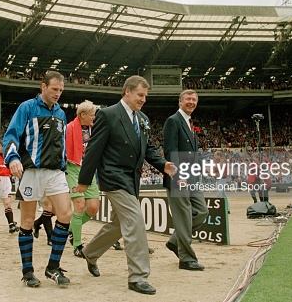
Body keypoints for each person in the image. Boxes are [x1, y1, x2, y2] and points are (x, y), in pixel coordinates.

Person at [74, 75, 177, 295]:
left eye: (145, 96)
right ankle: (138, 276)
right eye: (140, 95)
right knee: (135, 220)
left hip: (132, 179)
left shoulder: (143, 119)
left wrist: (163, 164)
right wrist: (84, 181)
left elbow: (148, 149)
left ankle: (90, 253)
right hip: (113, 178)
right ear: (127, 91)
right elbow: (93, 149)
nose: (143, 100)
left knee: (120, 224)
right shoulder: (108, 115)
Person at [3, 71, 72, 287]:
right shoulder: (27, 108)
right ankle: (27, 271)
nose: (57, 94)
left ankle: (52, 267)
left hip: (55, 172)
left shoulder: (61, 113)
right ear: (43, 87)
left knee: (66, 214)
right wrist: (13, 157)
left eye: (60, 90)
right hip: (31, 171)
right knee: (26, 221)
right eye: (54, 89)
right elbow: (11, 135)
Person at [162, 89, 208, 271]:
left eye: (194, 100)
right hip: (179, 178)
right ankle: (187, 259)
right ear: (180, 102)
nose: (191, 102)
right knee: (183, 217)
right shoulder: (173, 121)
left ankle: (175, 241)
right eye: (188, 99)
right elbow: (170, 152)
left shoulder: (189, 123)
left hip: (192, 178)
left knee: (202, 211)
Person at [65, 100, 99, 258]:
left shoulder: (95, 129)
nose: (94, 117)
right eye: (92, 115)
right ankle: (78, 245)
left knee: (92, 208)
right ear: (82, 114)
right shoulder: (68, 129)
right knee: (79, 205)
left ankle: (72, 228)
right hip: (72, 168)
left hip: (89, 170)